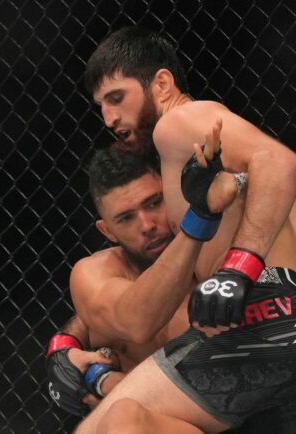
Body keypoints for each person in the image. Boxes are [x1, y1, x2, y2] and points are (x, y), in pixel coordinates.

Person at [74, 26, 296, 433]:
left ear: (161, 83)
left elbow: (279, 162)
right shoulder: (195, 158)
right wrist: (75, 348)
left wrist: (236, 269)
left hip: (266, 321)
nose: (109, 118)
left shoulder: (181, 122)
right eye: (100, 106)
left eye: (116, 98)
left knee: (105, 426)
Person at [46, 141, 244, 417]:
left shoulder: (221, 256)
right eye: (126, 218)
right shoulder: (96, 272)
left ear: (172, 193)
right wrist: (65, 345)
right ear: (107, 231)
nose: (147, 225)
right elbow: (136, 320)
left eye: (154, 202)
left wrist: (100, 379)